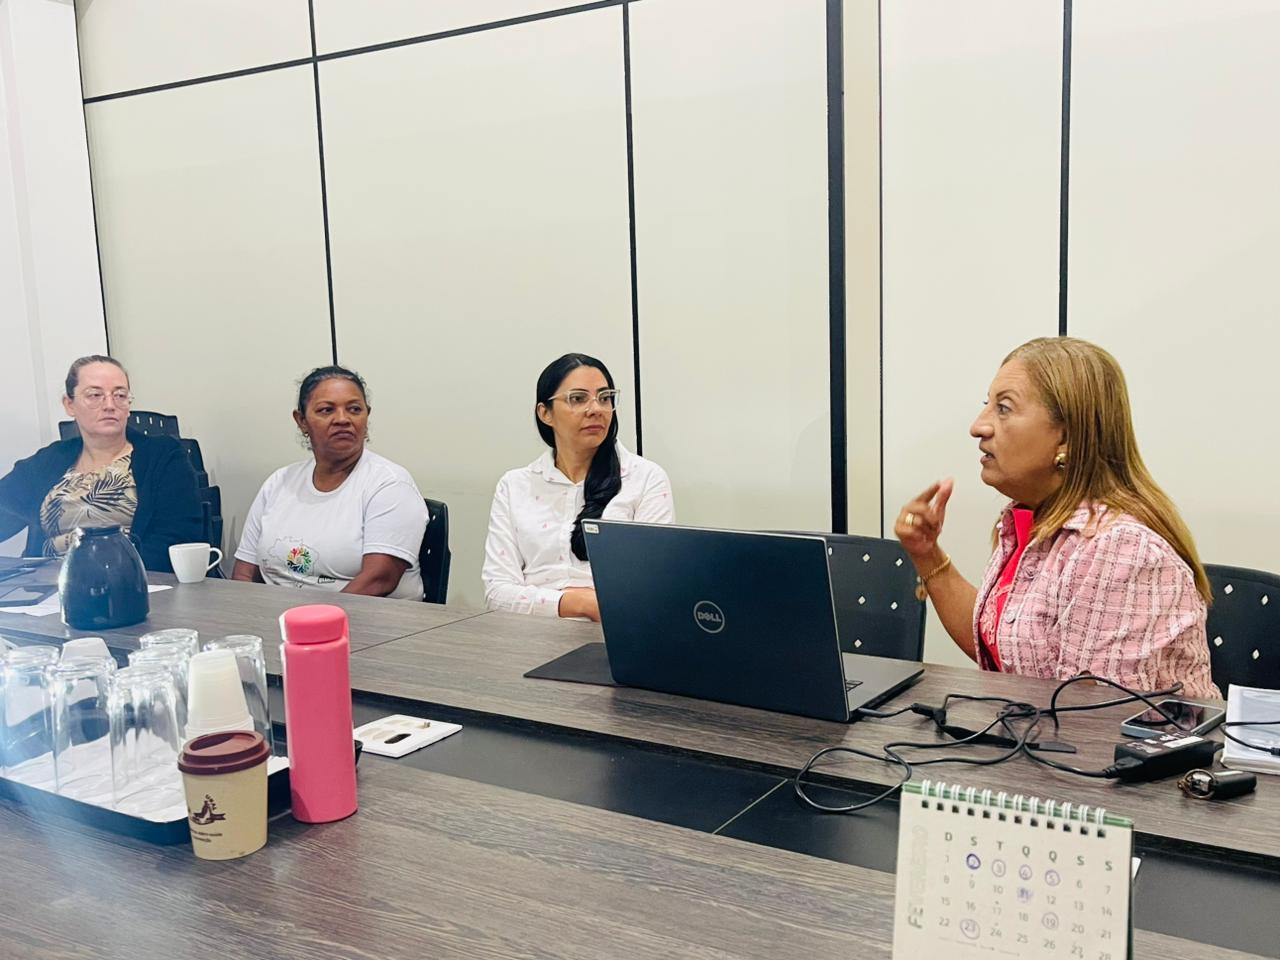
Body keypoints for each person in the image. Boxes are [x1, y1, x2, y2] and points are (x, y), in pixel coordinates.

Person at [895, 337, 1219, 698]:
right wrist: (927, 554)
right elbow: (1012, 653)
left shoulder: (1121, 551)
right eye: (987, 406)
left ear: (1065, 436)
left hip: (1092, 734)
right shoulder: (1030, 523)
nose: (978, 426)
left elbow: (1093, 717)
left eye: (1004, 408)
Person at [483, 353, 674, 621]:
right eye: (578, 398)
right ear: (545, 413)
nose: (596, 409)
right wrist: (579, 602)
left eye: (605, 398)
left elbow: (651, 589)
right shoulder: (515, 486)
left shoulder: (645, 479)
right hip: (529, 633)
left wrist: (540, 599)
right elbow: (496, 594)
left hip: (613, 632)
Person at [232, 365, 428, 599]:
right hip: (278, 616)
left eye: (354, 409)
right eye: (327, 410)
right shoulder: (279, 482)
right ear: (301, 421)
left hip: (365, 617)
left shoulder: (390, 484)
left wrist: (311, 619)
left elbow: (378, 580)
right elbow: (244, 573)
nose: (343, 419)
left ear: (367, 416)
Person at [0, 355, 202, 572]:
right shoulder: (49, 460)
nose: (109, 405)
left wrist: (109, 575)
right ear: (69, 404)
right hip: (48, 585)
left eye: (120, 395)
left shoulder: (162, 456)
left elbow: (177, 537)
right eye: (95, 395)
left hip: (132, 581)